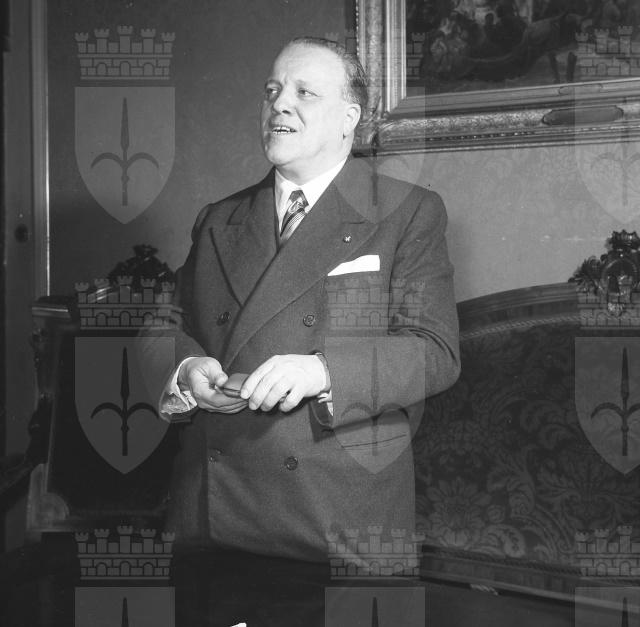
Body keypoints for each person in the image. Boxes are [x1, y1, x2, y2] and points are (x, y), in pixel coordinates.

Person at [152, 37, 460, 562]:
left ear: (348, 118)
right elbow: (163, 325)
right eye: (272, 90)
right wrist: (185, 368)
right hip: (212, 516)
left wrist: (322, 371)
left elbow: (435, 352)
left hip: (338, 518)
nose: (280, 104)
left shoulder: (408, 211)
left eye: (304, 92)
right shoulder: (218, 219)